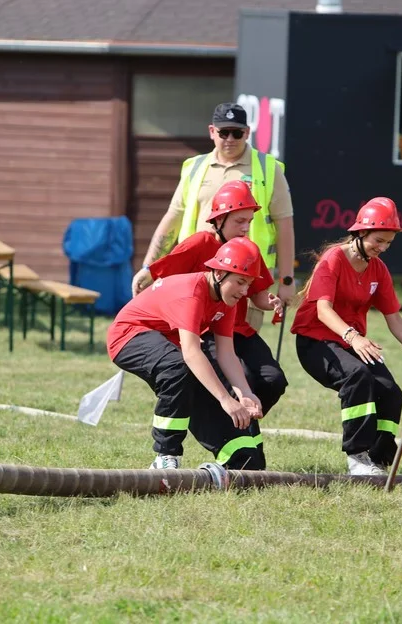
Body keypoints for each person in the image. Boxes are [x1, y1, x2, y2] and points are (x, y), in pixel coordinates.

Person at [134, 180, 288, 468]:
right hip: (205, 331)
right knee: (227, 383)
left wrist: (273, 301)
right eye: (239, 220)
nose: (245, 227)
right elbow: (168, 282)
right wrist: (145, 273)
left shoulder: (248, 248)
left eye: (249, 221)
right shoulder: (199, 244)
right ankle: (225, 436)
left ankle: (239, 425)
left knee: (272, 381)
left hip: (236, 328)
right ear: (219, 218)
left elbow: (258, 294)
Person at [291, 197, 402, 477]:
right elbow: (322, 310)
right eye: (378, 240)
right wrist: (353, 336)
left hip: (349, 342)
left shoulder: (378, 269)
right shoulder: (333, 259)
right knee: (358, 377)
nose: (382, 248)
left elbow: (395, 321)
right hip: (315, 342)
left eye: (388, 243)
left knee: (391, 393)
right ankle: (357, 458)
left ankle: (378, 462)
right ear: (360, 232)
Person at [137, 103, 295, 337]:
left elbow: (285, 226)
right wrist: (148, 266)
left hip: (245, 280)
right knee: (192, 352)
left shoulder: (269, 168)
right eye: (223, 132)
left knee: (240, 355)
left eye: (237, 133)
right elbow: (173, 218)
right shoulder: (194, 167)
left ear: (247, 133)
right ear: (212, 131)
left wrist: (287, 279)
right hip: (196, 278)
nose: (230, 138)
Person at [108, 237, 265, 470]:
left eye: (248, 284)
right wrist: (225, 400)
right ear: (219, 274)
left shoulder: (227, 300)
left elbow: (226, 354)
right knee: (179, 368)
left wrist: (244, 394)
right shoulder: (192, 292)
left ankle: (240, 460)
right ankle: (164, 456)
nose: (244, 291)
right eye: (240, 281)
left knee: (212, 382)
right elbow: (191, 353)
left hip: (168, 342)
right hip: (128, 335)